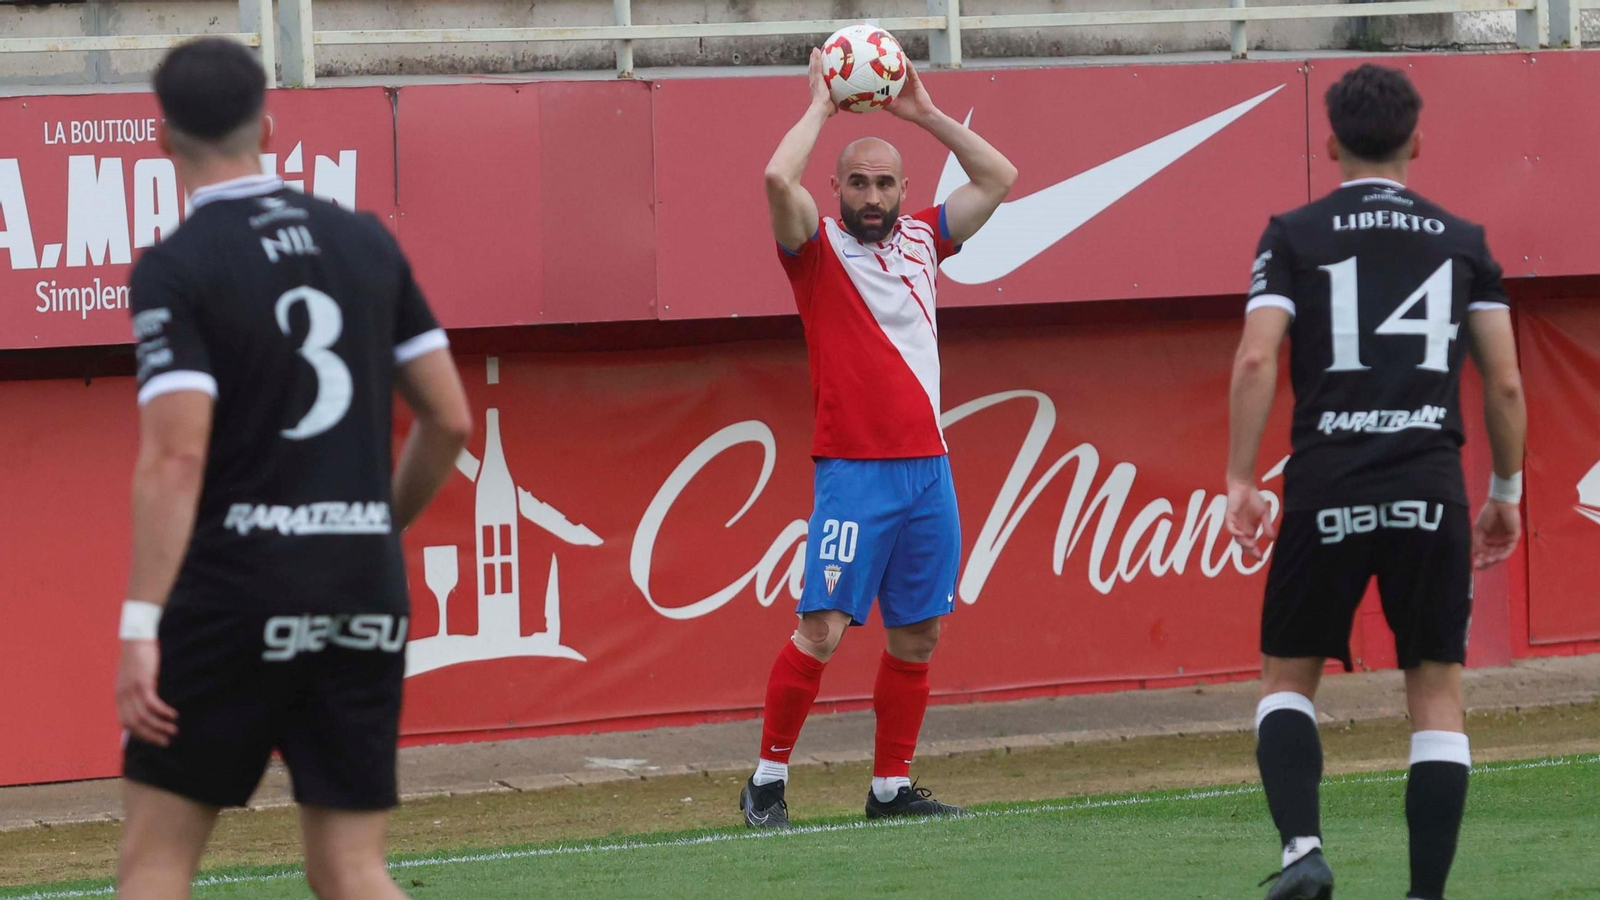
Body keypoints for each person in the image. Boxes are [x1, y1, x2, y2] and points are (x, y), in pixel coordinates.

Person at [114, 38, 472, 899]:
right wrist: (375, 527)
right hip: (361, 586)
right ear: (268, 127)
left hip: (235, 591)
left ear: (163, 139)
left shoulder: (179, 265)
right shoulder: (364, 243)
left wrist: (139, 623)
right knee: (350, 870)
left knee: (157, 865)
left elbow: (177, 451)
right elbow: (450, 418)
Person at [1225, 64, 1526, 900]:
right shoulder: (1463, 240)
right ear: (1416, 141)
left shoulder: (1293, 232)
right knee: (1435, 691)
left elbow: (1257, 354)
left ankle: (1304, 852)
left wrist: (1240, 477)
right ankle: (1424, 895)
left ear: (1330, 143)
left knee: (1288, 678)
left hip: (1326, 480)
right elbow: (1504, 382)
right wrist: (1506, 489)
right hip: (1429, 488)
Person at [740, 50, 1017, 829]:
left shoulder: (929, 239)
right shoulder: (817, 251)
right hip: (854, 474)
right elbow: (773, 181)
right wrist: (823, 107)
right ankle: (765, 782)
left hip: (929, 472)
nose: (871, 195)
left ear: (902, 189)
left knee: (920, 633)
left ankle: (890, 790)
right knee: (822, 629)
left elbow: (1000, 178)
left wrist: (923, 114)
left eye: (885, 182)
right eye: (857, 183)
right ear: (837, 190)